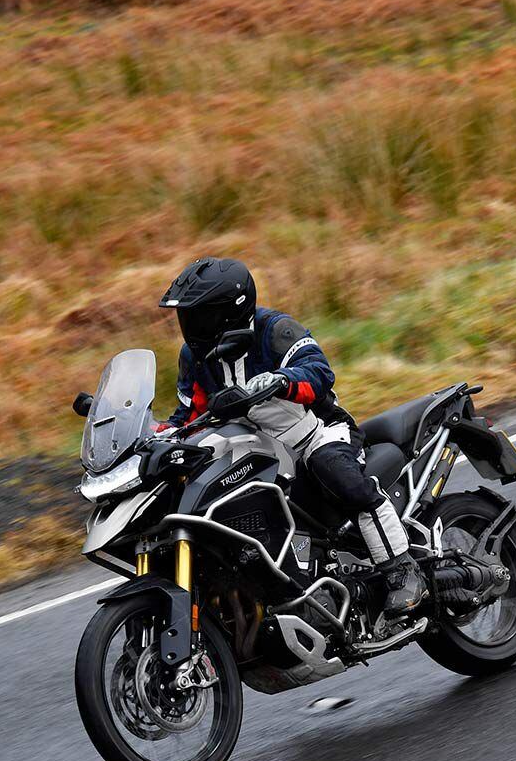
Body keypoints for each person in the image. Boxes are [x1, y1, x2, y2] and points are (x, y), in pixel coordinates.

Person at [157, 257, 425, 615]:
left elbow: (318, 371)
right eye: (186, 316)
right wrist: (159, 436)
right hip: (254, 447)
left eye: (199, 314)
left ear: (230, 310)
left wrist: (282, 381)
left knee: (336, 472)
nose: (190, 325)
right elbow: (189, 414)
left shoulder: (274, 329)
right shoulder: (195, 355)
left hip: (316, 433)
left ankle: (401, 567)